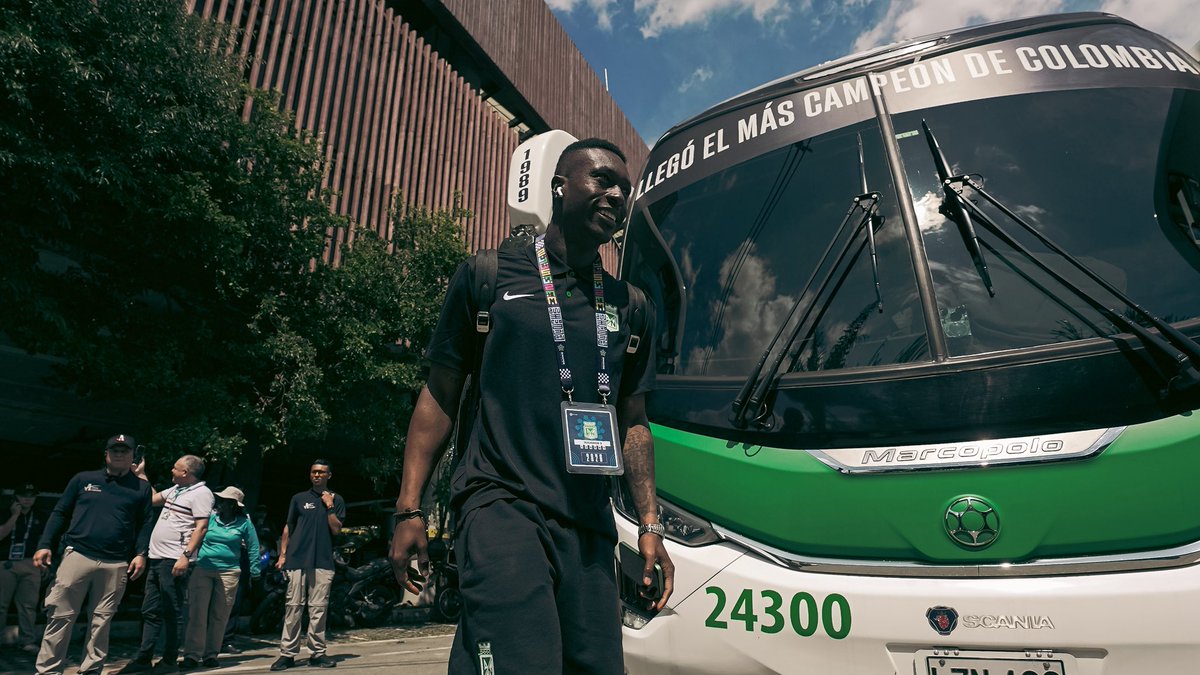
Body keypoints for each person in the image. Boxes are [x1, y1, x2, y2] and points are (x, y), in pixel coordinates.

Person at [388, 138, 675, 674]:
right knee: (520, 659)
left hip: (588, 521)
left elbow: (634, 424)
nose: (617, 194)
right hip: (500, 501)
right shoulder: (489, 276)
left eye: (625, 188)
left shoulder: (631, 306)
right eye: (602, 179)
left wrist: (649, 524)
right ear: (559, 187)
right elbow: (440, 394)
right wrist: (409, 509)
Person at [33, 434, 153, 675]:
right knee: (60, 615)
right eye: (114, 450)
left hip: (116, 562)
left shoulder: (141, 488)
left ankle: (91, 669)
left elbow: (146, 523)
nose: (119, 454)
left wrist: (141, 553)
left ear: (133, 456)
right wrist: (44, 544)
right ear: (106, 454)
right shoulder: (83, 479)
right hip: (78, 555)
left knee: (102, 620)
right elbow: (60, 512)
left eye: (124, 451)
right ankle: (48, 670)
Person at [120, 454, 213, 673]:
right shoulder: (177, 490)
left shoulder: (201, 494)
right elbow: (153, 499)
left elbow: (201, 527)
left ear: (186, 473)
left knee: (172, 611)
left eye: (175, 468)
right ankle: (144, 658)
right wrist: (141, 475)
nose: (172, 470)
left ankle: (169, 661)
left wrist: (185, 556)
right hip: (157, 558)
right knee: (150, 610)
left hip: (174, 560)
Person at [270, 460, 345, 671]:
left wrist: (329, 505)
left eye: (321, 472)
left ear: (329, 475)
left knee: (318, 609)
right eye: (314, 472)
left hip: (322, 561)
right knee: (293, 607)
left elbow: (336, 529)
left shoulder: (337, 499)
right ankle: (287, 654)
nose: (317, 475)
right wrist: (283, 555)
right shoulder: (298, 498)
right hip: (296, 559)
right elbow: (289, 526)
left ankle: (317, 653)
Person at [183, 486, 259, 669]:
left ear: (233, 505)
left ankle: (211, 654)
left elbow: (253, 547)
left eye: (225, 501)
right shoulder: (210, 518)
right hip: (203, 568)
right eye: (221, 500)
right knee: (198, 613)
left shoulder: (244, 523)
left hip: (229, 572)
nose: (221, 503)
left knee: (220, 615)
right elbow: (195, 535)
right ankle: (192, 655)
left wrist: (255, 572)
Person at [0, 483, 46, 653]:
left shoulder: (40, 515)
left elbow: (44, 540)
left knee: (28, 605)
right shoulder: (4, 512)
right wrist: (14, 515)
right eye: (23, 495)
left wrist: (45, 563)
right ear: (16, 496)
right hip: (6, 562)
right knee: (1, 604)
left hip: (31, 562)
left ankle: (27, 640)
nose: (27, 499)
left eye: (31, 495)